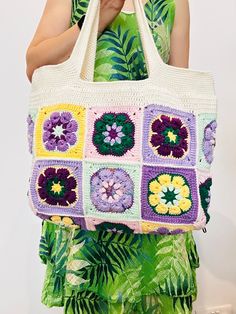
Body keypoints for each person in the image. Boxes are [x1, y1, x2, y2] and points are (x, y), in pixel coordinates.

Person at [26, 0, 198, 313]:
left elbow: (178, 96)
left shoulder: (173, 3)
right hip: (84, 194)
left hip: (153, 196)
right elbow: (34, 65)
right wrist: (96, 20)